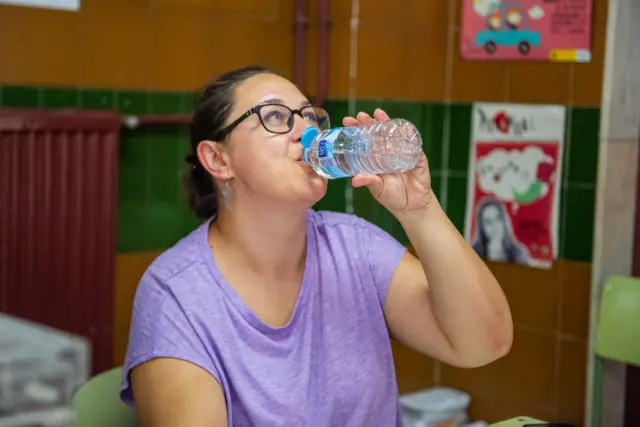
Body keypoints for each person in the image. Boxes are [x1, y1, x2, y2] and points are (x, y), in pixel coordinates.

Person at [121, 65, 513, 427]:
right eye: (275, 117)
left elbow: (484, 343)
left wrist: (421, 210)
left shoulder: (354, 247)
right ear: (218, 158)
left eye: (309, 116)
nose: (307, 131)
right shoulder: (177, 295)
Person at [471, 198, 530, 265]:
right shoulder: (474, 252)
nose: (495, 225)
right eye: (488, 222)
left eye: (498, 218)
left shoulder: (519, 254)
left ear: (504, 221)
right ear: (482, 227)